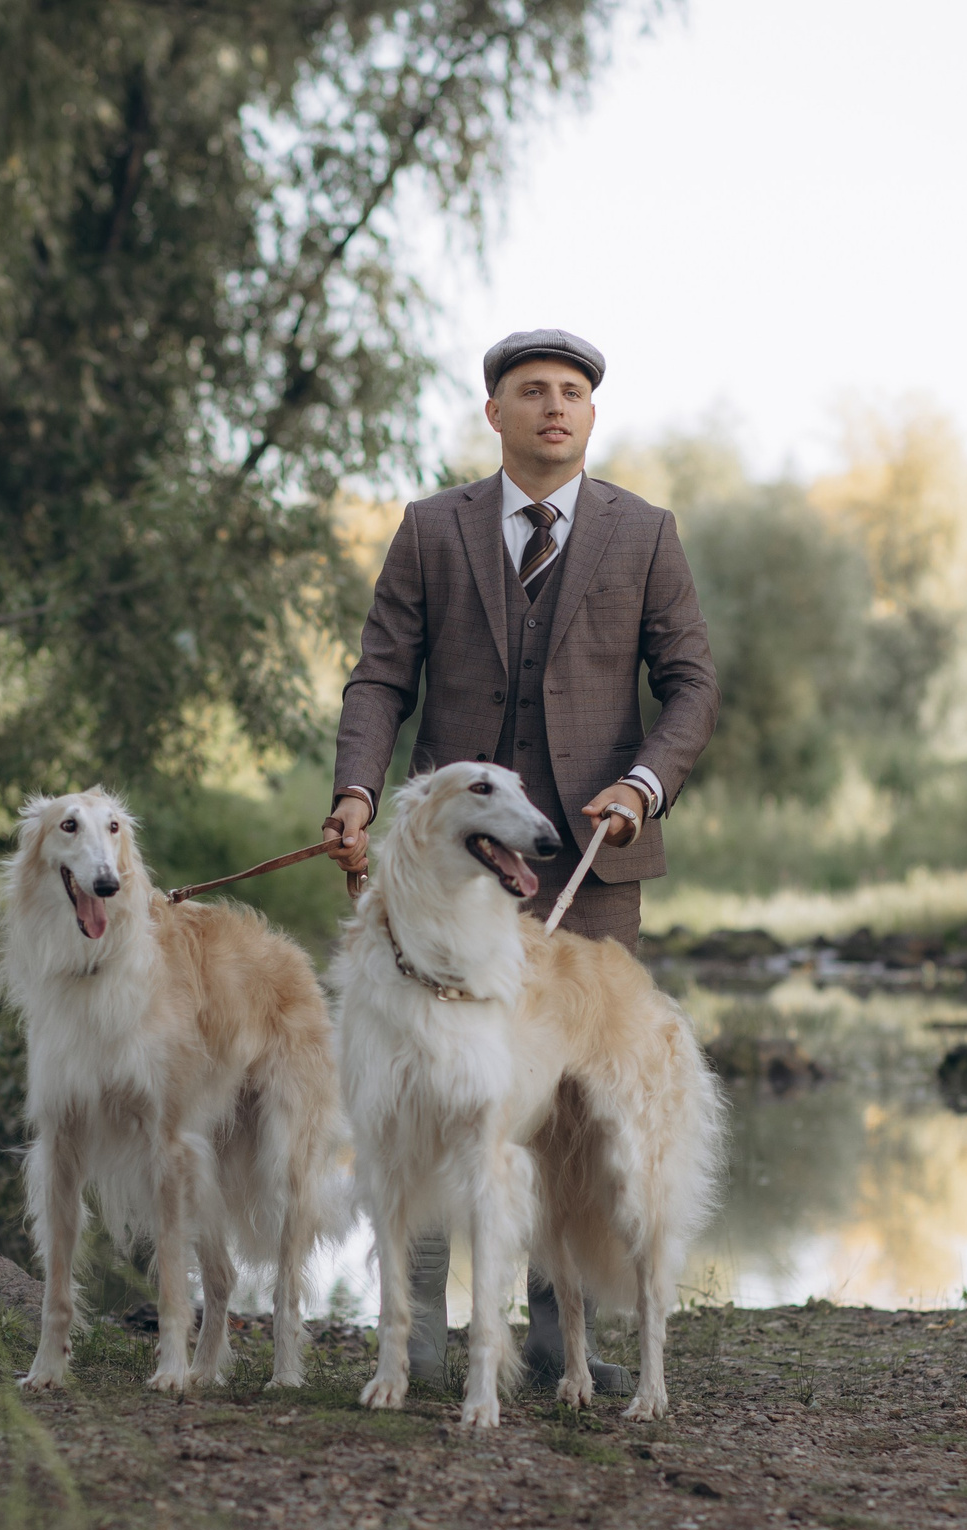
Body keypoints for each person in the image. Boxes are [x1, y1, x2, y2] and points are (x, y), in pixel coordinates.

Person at [325, 327, 718, 1391]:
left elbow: (690, 686)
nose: (554, 407)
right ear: (493, 414)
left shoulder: (643, 534)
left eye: (573, 394)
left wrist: (640, 787)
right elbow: (378, 680)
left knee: (564, 1108)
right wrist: (357, 792)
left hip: (589, 865)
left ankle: (554, 1336)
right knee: (414, 1087)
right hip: (450, 877)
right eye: (531, 392)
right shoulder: (429, 529)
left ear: (592, 417)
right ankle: (410, 1339)